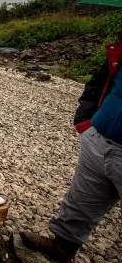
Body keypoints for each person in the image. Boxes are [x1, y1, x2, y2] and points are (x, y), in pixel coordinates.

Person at [20, 30, 122, 263]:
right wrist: (85, 122)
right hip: (99, 138)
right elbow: (98, 82)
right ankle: (62, 245)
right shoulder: (119, 49)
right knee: (81, 200)